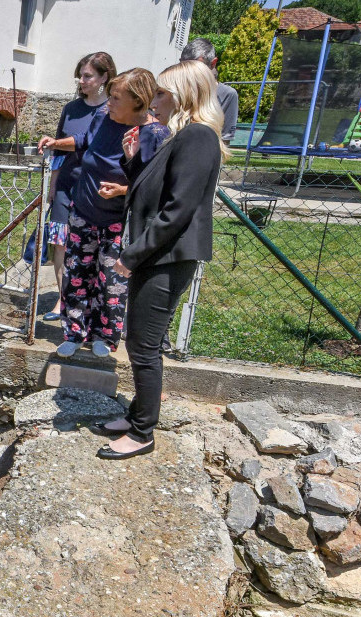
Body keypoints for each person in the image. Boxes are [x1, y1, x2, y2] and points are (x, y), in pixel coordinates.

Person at [95, 60, 229, 460]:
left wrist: (131, 256)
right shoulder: (181, 136)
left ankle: (142, 432)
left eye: (162, 93)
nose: (156, 101)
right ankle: (137, 413)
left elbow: (177, 211)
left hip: (167, 256)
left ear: (184, 96)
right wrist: (134, 160)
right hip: (160, 253)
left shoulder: (198, 137)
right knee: (140, 339)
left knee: (143, 344)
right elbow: (149, 192)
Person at [38, 68, 169, 359]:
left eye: (115, 97)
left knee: (111, 282)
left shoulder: (155, 133)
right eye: (109, 95)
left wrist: (124, 190)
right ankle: (74, 332)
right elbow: (85, 140)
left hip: (117, 222)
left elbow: (157, 183)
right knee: (76, 276)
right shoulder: (103, 117)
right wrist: (56, 143)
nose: (108, 102)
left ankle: (105, 338)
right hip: (83, 211)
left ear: (138, 101)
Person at [38, 52, 115, 322]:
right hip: (66, 184)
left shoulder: (112, 110)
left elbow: (86, 143)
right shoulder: (71, 109)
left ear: (104, 77)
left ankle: (89, 303)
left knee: (88, 246)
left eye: (87, 76)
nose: (81, 80)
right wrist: (53, 185)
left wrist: (57, 143)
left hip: (95, 189)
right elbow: (59, 150)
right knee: (60, 243)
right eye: (80, 75)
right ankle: (63, 300)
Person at [180, 38, 237, 143]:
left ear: (213, 63)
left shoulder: (227, 95)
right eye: (183, 66)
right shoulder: (176, 89)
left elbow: (224, 140)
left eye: (196, 67)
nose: (188, 73)